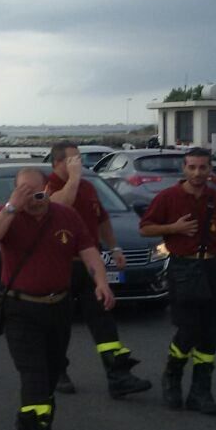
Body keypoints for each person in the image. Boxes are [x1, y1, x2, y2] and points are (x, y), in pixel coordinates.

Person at [0, 168, 115, 430]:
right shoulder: (6, 214)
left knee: (52, 373)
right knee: (34, 374)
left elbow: (89, 251)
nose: (34, 202)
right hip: (20, 309)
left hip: (58, 309)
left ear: (48, 191)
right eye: (26, 195)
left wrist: (102, 283)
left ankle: (37, 426)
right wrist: (13, 207)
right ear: (15, 193)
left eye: (38, 195)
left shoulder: (65, 216)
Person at [139, 147, 216, 415]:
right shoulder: (168, 197)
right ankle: (172, 376)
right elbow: (145, 228)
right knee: (189, 329)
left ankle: (200, 391)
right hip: (182, 268)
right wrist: (173, 229)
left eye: (202, 168)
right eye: (192, 167)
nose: (197, 173)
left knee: (210, 333)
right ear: (184, 169)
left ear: (210, 170)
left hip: (209, 267)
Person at [44, 141, 152, 397]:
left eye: (79, 160)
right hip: (60, 267)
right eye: (73, 160)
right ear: (58, 163)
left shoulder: (89, 187)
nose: (79, 164)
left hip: (88, 266)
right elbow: (62, 205)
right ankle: (58, 372)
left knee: (103, 321)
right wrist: (74, 178)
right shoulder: (48, 186)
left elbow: (101, 218)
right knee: (59, 325)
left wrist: (115, 249)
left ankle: (118, 376)